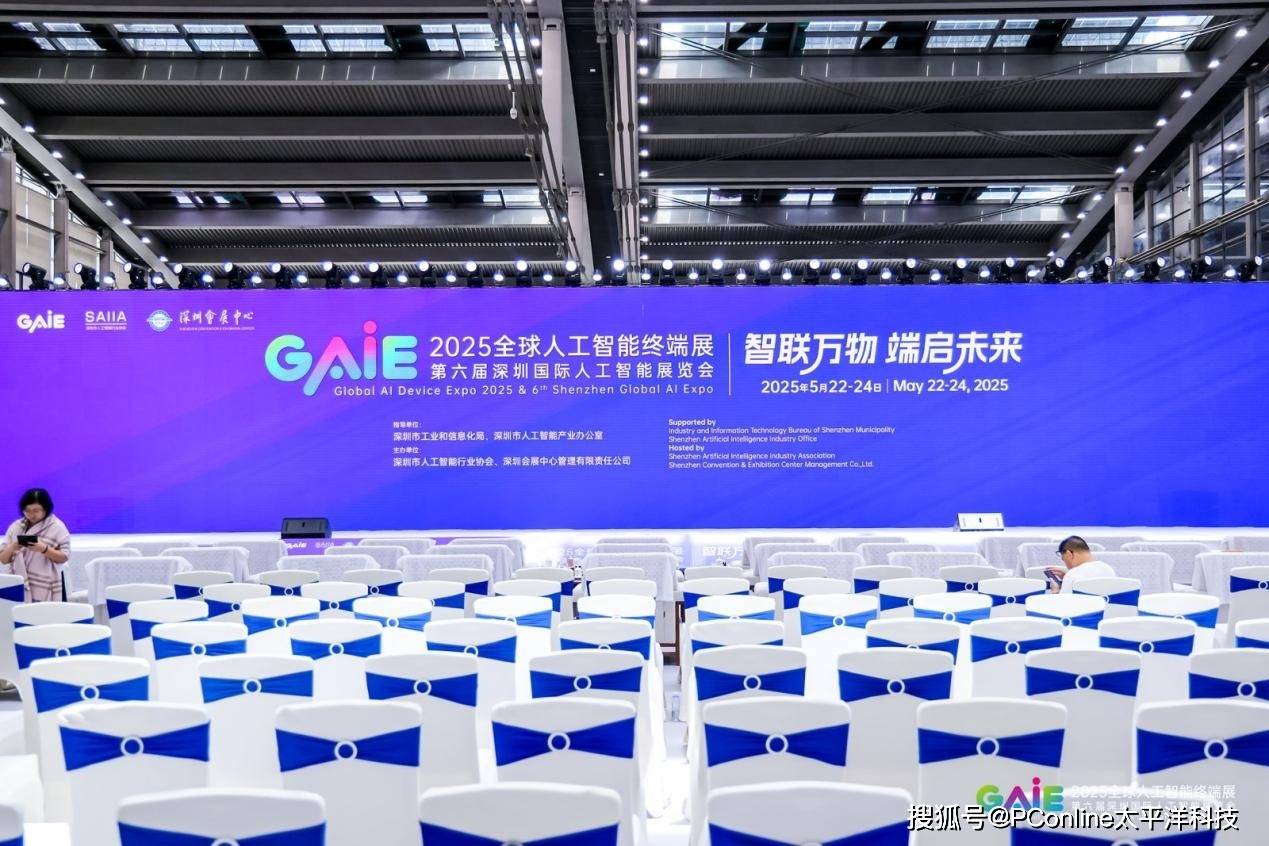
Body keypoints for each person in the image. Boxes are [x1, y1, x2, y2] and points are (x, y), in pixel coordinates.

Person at [1, 488, 71, 602]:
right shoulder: (16, 527)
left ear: (46, 509)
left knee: (45, 613)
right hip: (18, 582)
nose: (31, 515)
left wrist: (44, 549)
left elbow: (64, 557)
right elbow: (3, 559)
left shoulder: (57, 527)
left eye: (36, 511)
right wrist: (13, 546)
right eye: (27, 510)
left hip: (46, 584)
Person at [1045, 535, 1114, 593]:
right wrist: (1066, 580)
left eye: (1064, 559)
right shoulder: (1108, 569)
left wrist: (1055, 591)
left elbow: (1062, 604)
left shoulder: (1072, 576)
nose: (1066, 565)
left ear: (1069, 554)